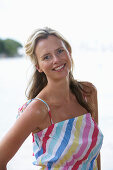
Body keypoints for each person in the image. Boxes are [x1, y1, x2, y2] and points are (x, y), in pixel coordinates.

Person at [0, 27, 103, 170]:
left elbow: (95, 154)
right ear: (38, 66)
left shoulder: (88, 93)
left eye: (60, 51)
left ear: (69, 52)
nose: (56, 59)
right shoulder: (37, 109)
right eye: (46, 57)